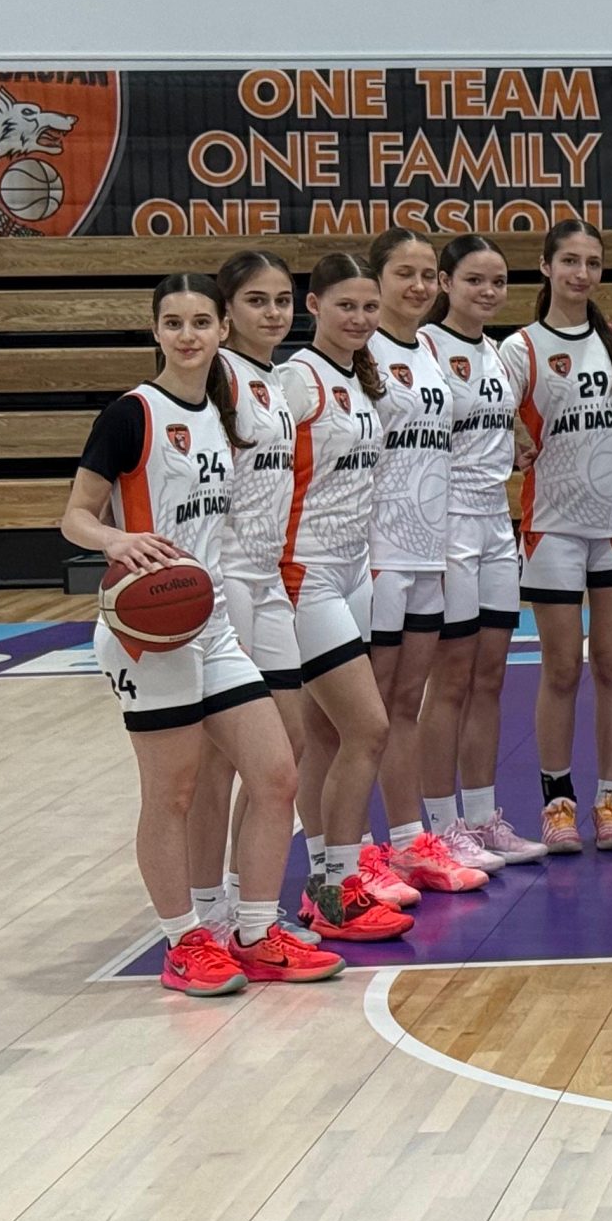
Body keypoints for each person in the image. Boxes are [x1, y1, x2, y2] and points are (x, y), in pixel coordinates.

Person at [64, 276, 342, 993]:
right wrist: (115, 540)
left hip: (212, 624)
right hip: (147, 634)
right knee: (173, 792)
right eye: (172, 322)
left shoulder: (222, 414)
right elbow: (76, 516)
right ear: (155, 331)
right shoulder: (131, 414)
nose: (186, 335)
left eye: (199, 322)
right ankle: (185, 941)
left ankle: (254, 932)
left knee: (276, 774)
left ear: (221, 329)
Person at [181, 251, 341, 953]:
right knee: (220, 758)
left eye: (282, 300)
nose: (273, 312)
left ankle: (248, 900)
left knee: (288, 744)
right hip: (222, 584)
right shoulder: (213, 377)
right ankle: (208, 910)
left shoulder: (279, 384)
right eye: (256, 300)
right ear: (226, 311)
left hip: (269, 580)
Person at [277, 254, 415, 939]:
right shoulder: (295, 380)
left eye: (368, 307)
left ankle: (325, 880)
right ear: (314, 305)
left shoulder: (362, 377)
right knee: (370, 728)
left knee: (327, 734)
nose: (360, 318)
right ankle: (337, 883)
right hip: (304, 573)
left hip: (352, 570)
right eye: (345, 306)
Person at [504, 219, 612, 854]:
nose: (581, 272)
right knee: (562, 667)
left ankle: (610, 800)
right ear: (546, 266)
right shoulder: (520, 349)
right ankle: (556, 802)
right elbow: (494, 419)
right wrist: (515, 437)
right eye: (569, 260)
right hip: (554, 525)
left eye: (591, 262)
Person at [363, 228, 487, 898]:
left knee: (407, 701)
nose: (416, 285)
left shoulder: (433, 354)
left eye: (425, 274)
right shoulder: (361, 353)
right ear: (376, 280)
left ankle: (410, 843)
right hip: (376, 554)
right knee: (367, 715)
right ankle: (354, 854)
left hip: (428, 547)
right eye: (402, 273)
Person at [418, 235, 545, 869]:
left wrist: (516, 438)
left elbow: (494, 422)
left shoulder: (495, 352)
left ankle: (482, 817)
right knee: (450, 679)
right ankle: (441, 827)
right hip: (446, 525)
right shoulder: (423, 348)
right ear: (445, 283)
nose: (489, 291)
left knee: (490, 676)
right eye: (474, 280)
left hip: (496, 522)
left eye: (498, 281)